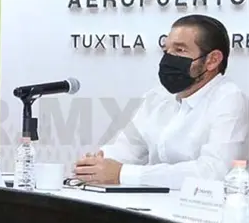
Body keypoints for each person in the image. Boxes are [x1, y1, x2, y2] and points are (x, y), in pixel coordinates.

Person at [74, 14, 249, 189]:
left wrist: (123, 174)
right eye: (166, 51)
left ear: (213, 60)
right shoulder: (157, 97)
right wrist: (97, 165)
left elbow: (214, 172)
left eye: (180, 50)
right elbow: (128, 147)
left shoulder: (229, 99)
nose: (169, 59)